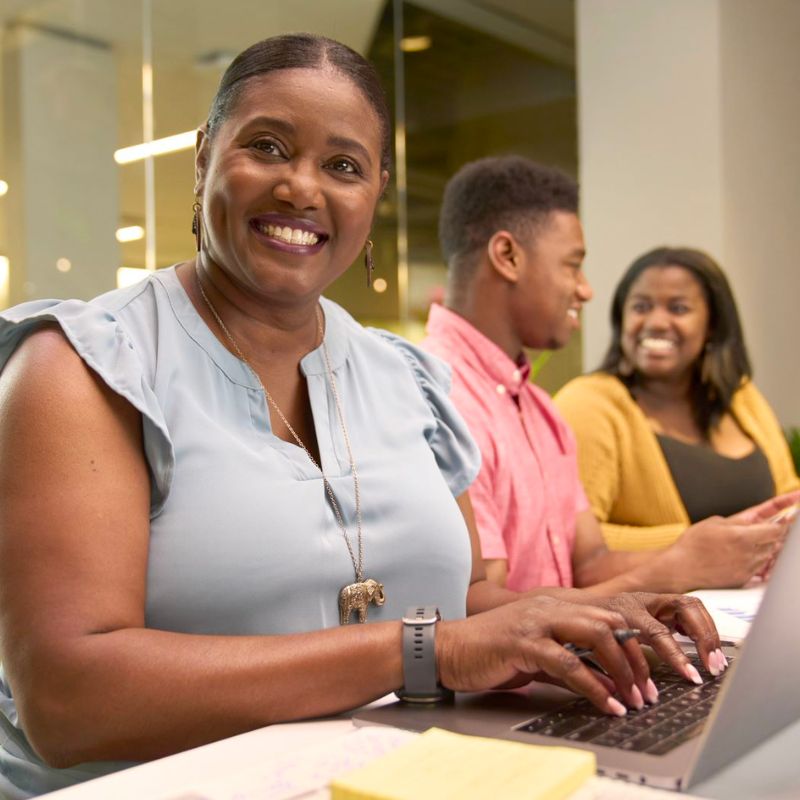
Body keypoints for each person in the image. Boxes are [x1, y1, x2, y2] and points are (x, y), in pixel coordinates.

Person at [0, 35, 722, 799]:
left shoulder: (407, 377)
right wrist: (424, 653)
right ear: (205, 155)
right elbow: (67, 699)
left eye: (343, 166)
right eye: (268, 147)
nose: (301, 189)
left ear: (377, 190)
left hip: (388, 773)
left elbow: (461, 602)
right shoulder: (81, 367)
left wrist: (597, 615)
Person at [422, 156, 799, 600]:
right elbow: (474, 610)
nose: (585, 289)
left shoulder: (540, 410)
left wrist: (708, 548)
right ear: (508, 256)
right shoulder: (435, 397)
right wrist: (674, 568)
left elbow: (590, 562)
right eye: (572, 264)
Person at [555, 246, 800, 551]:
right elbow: (571, 541)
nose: (656, 322)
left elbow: (790, 500)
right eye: (641, 307)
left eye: (678, 308)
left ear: (712, 325)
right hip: (657, 598)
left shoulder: (741, 397)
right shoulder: (589, 403)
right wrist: (700, 543)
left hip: (760, 596)